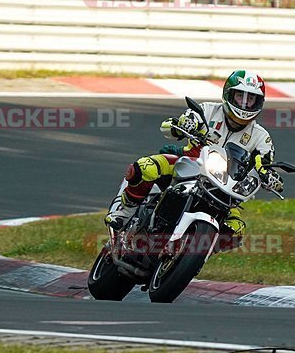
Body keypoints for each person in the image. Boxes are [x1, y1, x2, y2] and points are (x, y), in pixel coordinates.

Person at [104, 70, 284, 244]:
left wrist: (270, 177)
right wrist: (183, 124)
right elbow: (171, 126)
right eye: (240, 97)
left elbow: (265, 163)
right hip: (190, 163)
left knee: (235, 230)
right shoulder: (207, 110)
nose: (245, 104)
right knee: (144, 167)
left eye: (251, 99)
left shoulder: (261, 137)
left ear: (259, 102)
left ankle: (193, 254)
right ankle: (125, 211)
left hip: (225, 189)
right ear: (229, 95)